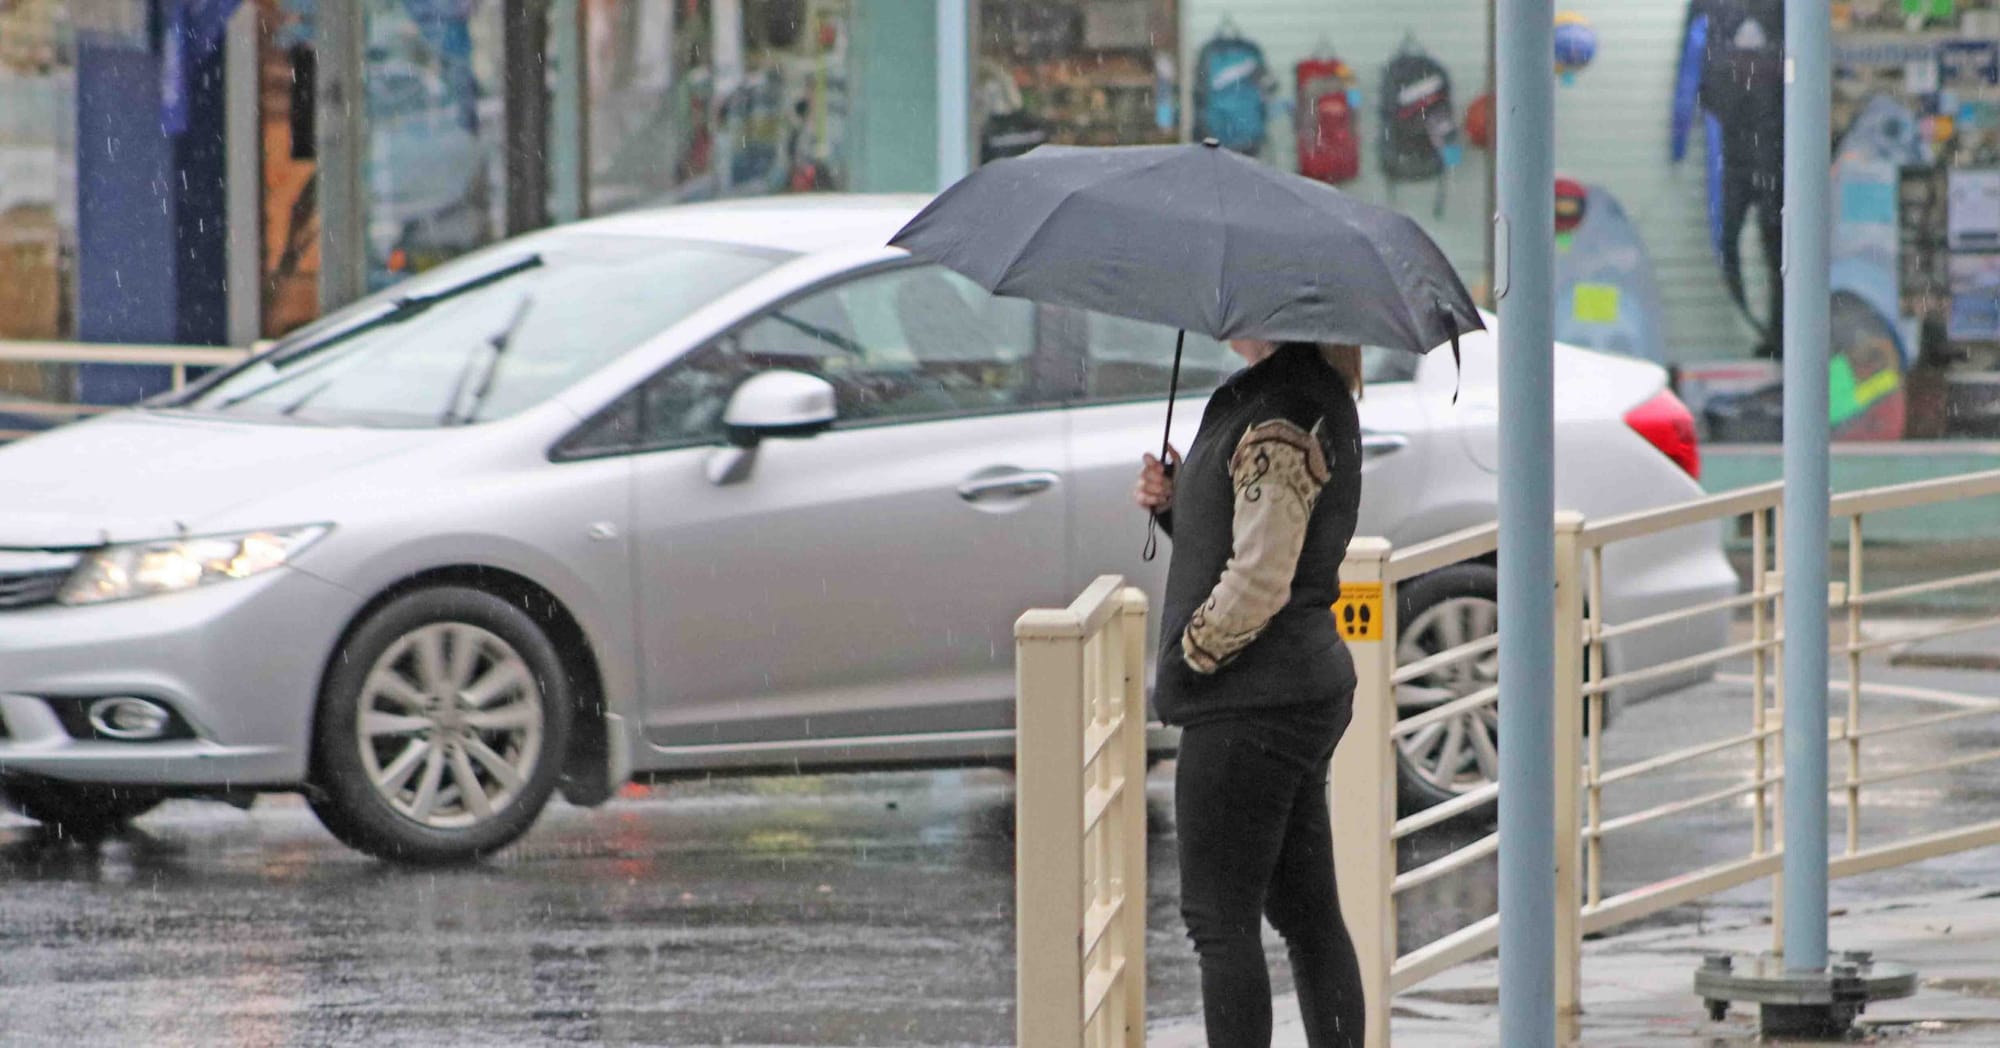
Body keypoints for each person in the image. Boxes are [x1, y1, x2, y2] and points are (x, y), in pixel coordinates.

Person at [1133, 339, 1366, 1047]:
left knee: (1219, 923)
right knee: (1305, 913)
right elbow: (1259, 533)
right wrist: (1181, 503)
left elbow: (1263, 577)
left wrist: (1190, 658)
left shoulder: (1281, 414)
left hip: (1250, 701)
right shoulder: (1296, 391)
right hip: (1293, 687)